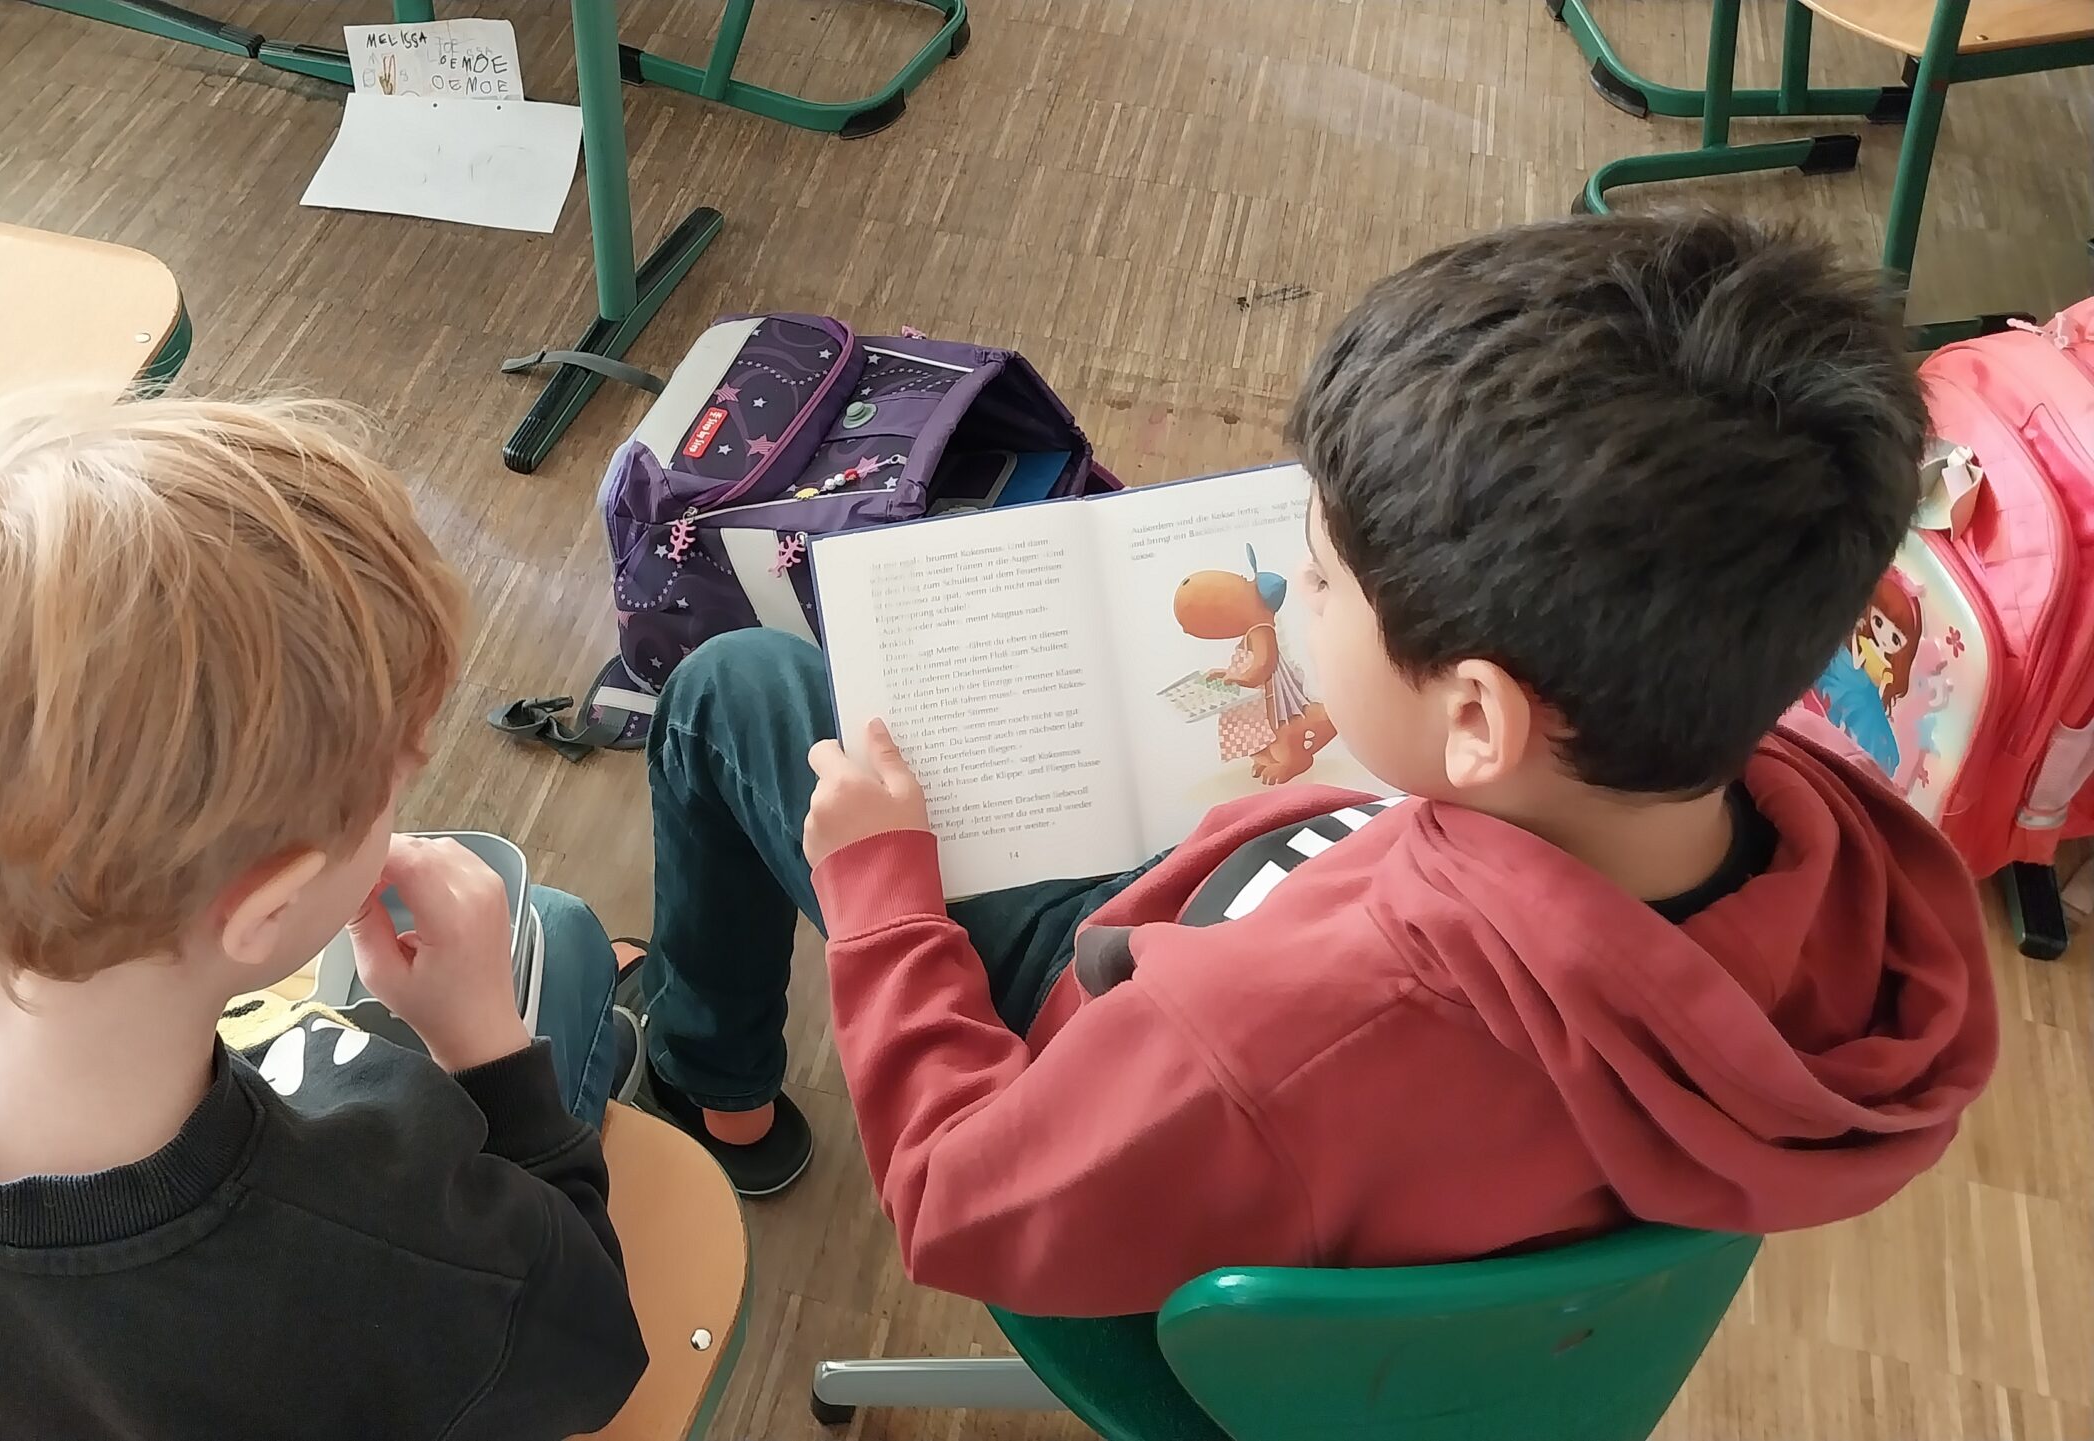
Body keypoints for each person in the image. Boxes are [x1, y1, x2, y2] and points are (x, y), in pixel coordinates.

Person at [634, 211, 2000, 1317]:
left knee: (737, 692)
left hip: (1123, 1044)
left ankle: (717, 1086)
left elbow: (952, 1201)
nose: (1299, 593)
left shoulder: (1261, 1043)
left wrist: (881, 896)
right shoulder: (1830, 849)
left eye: (1328, 580)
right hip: (1334, 1005)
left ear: (1479, 720)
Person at [0, 397, 647, 1440]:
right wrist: (487, 1049)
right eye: (395, 787)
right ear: (266, 910)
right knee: (561, 943)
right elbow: (593, 1351)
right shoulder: (393, 1227)